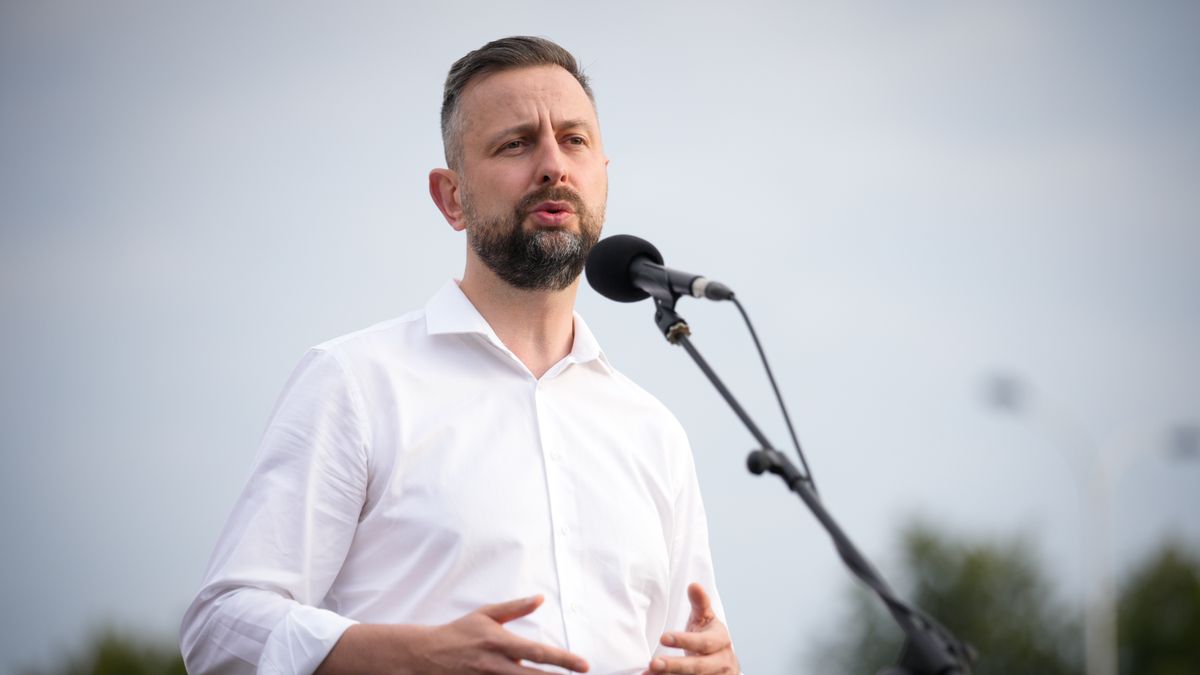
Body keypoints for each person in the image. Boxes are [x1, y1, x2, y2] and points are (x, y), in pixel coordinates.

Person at [180, 36, 739, 675]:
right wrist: (414, 657)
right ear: (451, 198)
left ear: (602, 175)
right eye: (516, 144)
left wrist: (716, 665)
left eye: (574, 140)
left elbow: (694, 647)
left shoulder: (653, 433)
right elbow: (220, 627)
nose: (553, 165)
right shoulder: (356, 385)